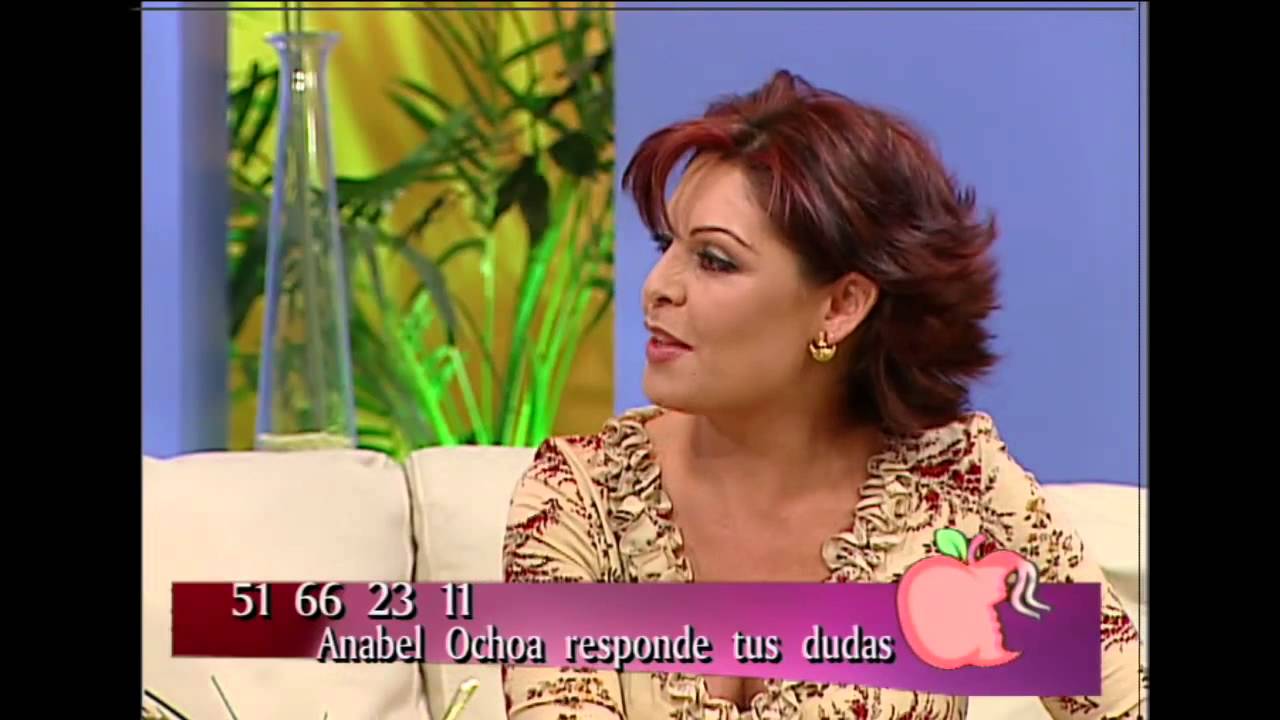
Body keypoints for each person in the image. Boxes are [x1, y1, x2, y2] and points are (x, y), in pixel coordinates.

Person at [501, 70, 1147, 719]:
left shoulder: (958, 487)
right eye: (666, 245)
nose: (657, 288)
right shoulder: (579, 496)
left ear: (841, 307)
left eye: (715, 260)